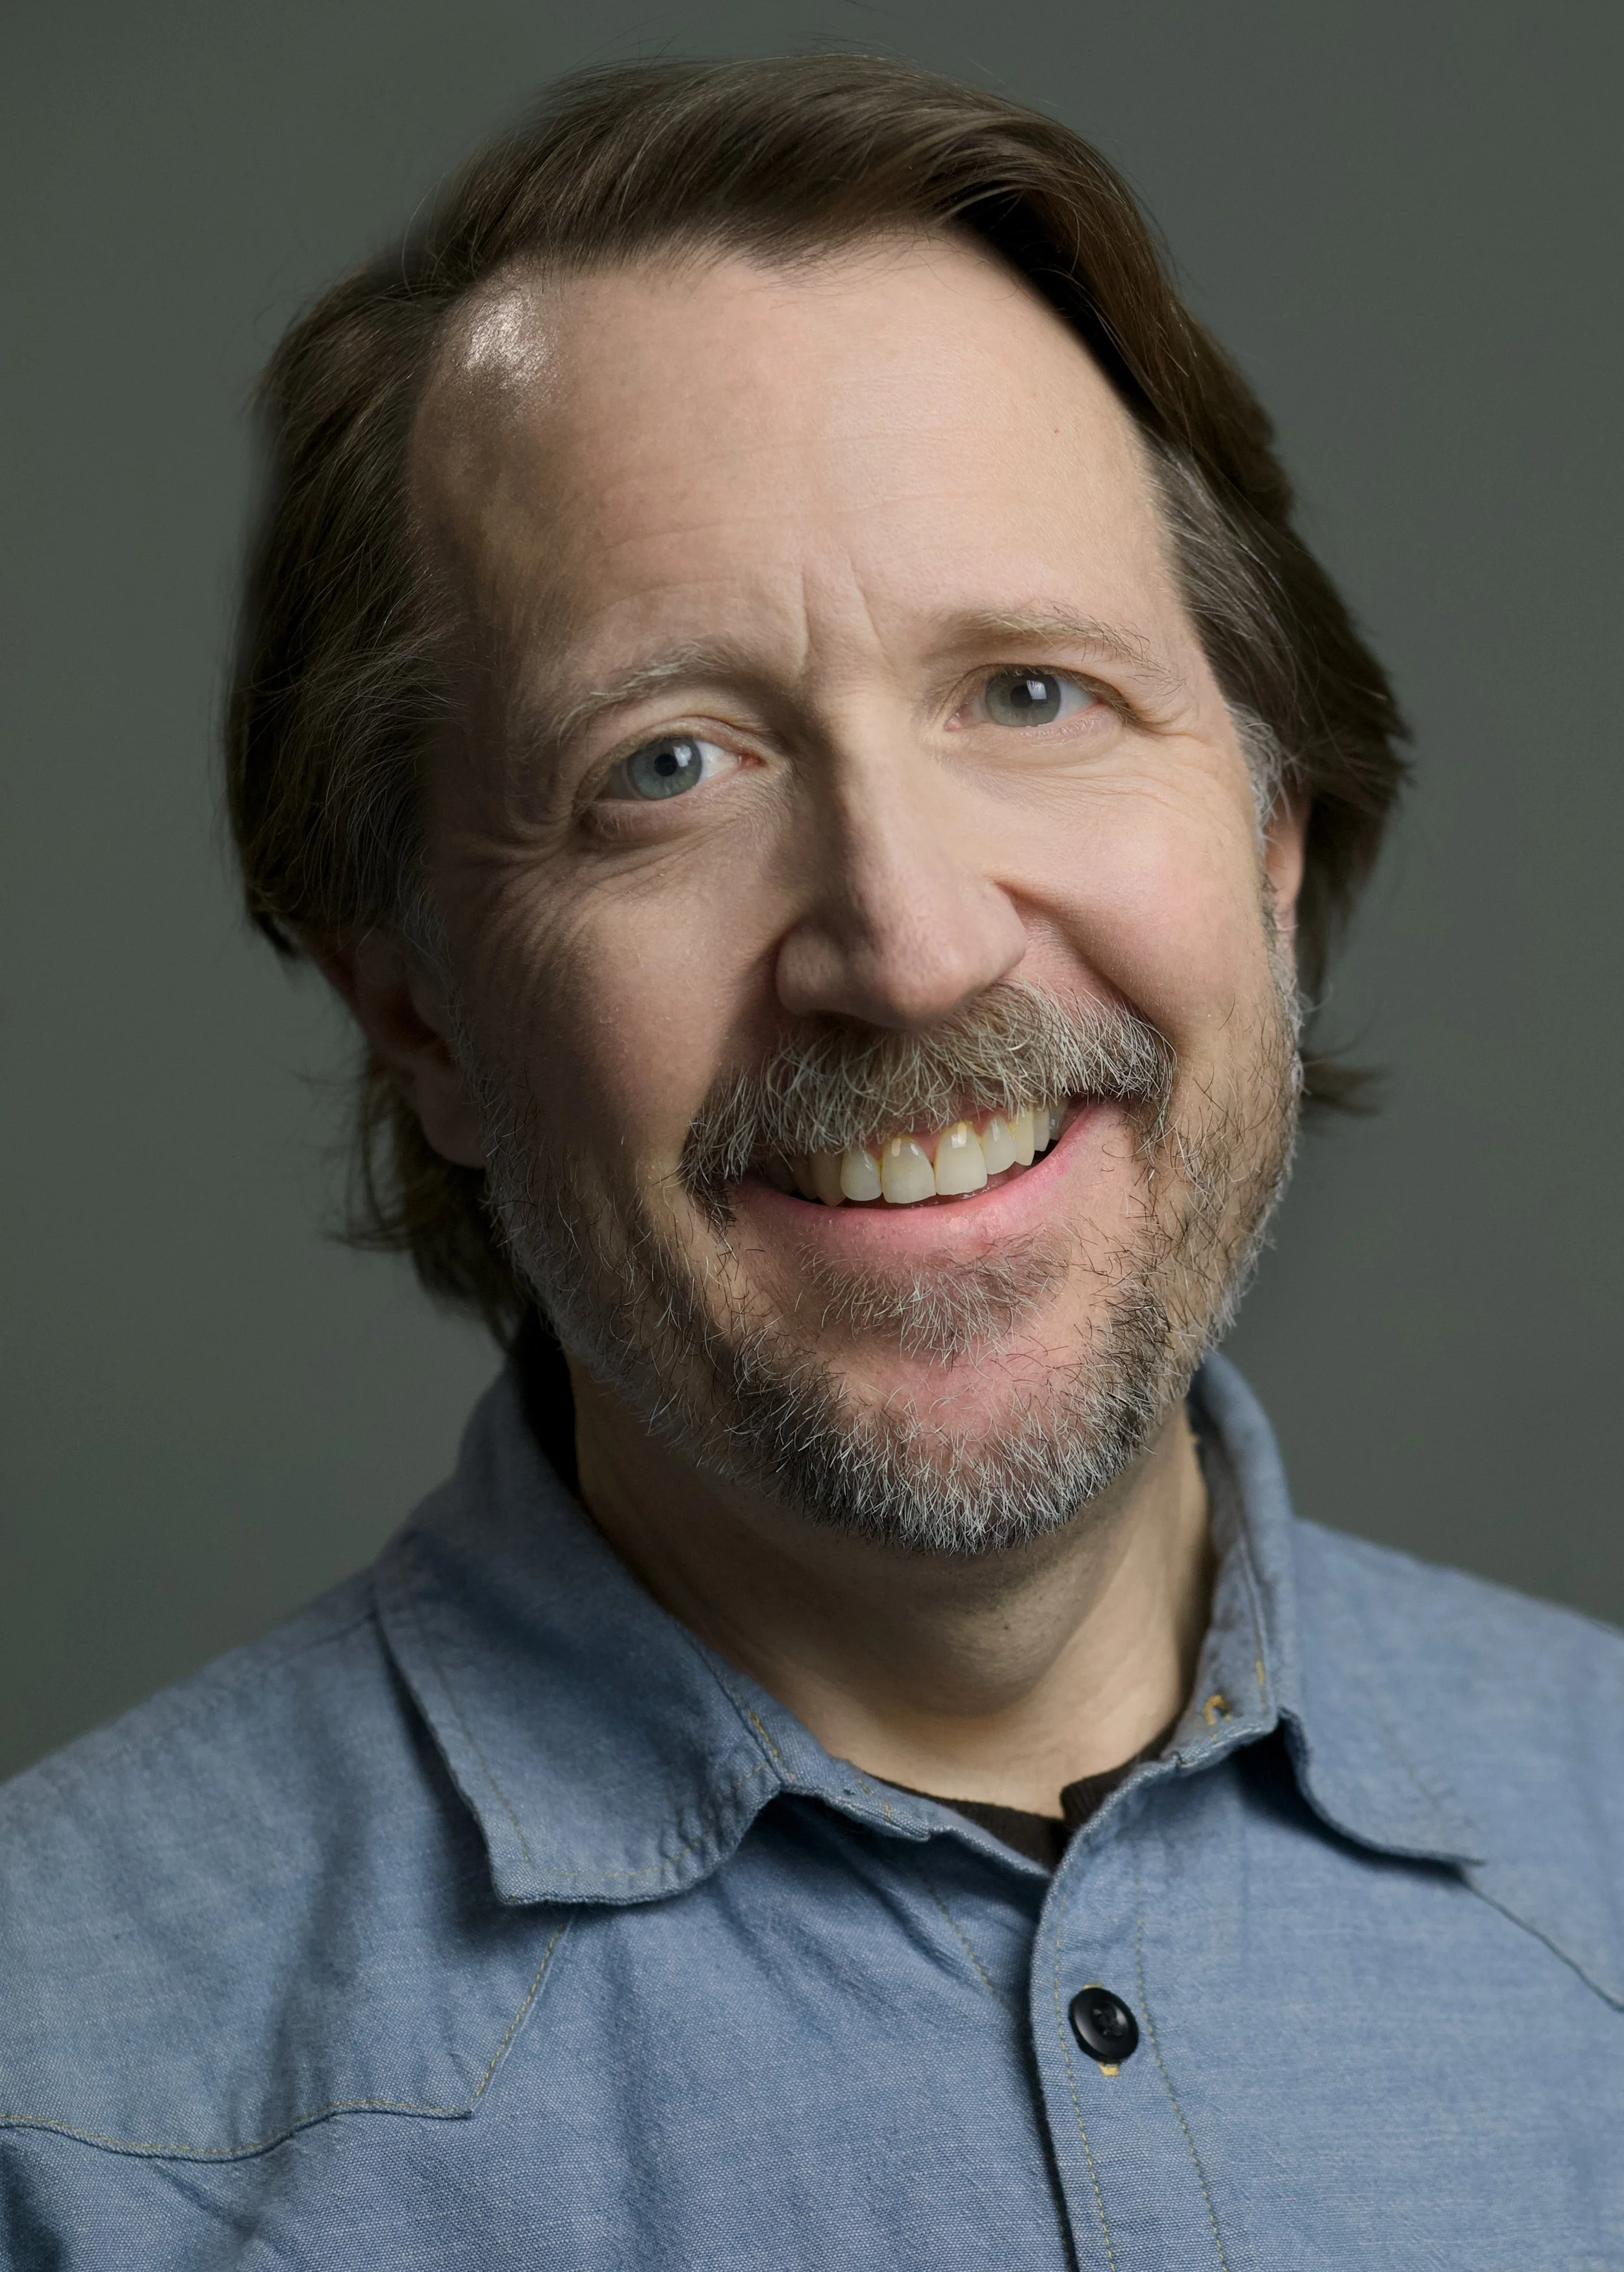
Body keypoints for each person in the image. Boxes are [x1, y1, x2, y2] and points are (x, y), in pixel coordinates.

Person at [3, 53, 1619, 2270]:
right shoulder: (62, 2113)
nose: (909, 942)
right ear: (421, 1015)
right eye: (667, 763)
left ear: (1267, 844)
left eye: (1032, 694)